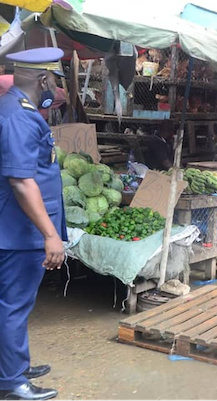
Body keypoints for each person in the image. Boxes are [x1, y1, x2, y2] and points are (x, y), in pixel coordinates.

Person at [0, 48, 68, 400]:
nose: (55, 88)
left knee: (15, 303)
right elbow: (22, 181)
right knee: (13, 304)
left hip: (17, 226)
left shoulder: (18, 110)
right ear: (43, 79)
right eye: (54, 80)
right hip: (18, 230)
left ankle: (14, 365)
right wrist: (50, 234)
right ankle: (11, 383)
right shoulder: (18, 116)